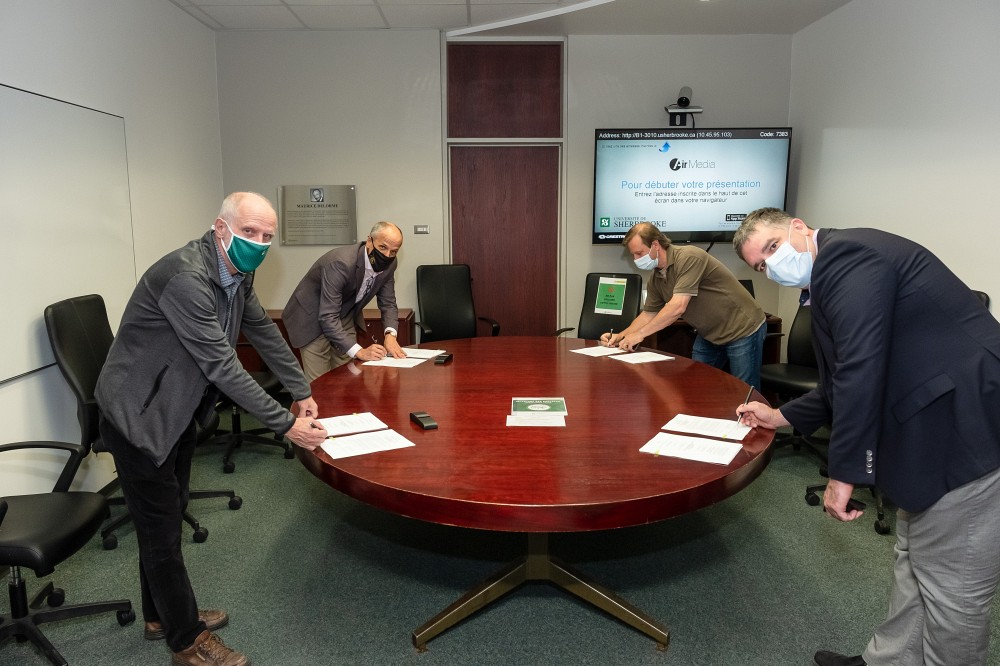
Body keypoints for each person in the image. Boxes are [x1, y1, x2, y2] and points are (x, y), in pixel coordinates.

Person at [733, 208, 1000, 666]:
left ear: (797, 225)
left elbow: (860, 371)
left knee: (953, 592)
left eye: (773, 247)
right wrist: (777, 417)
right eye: (761, 265)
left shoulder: (847, 256)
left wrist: (844, 472)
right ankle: (888, 661)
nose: (772, 266)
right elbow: (839, 382)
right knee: (914, 563)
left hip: (967, 433)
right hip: (929, 425)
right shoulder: (829, 277)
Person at [95, 192, 329, 666]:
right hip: (137, 416)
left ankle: (160, 614)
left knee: (167, 513)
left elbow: (261, 329)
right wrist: (286, 424)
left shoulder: (238, 273)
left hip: (176, 409)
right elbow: (223, 366)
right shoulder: (186, 277)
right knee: (161, 529)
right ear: (221, 228)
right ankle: (186, 640)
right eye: (250, 233)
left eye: (267, 237)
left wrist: (301, 388)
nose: (259, 244)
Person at [602, 221, 767, 388]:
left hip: (742, 329)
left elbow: (677, 307)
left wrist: (640, 334)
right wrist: (621, 336)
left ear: (655, 245)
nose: (636, 260)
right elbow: (648, 314)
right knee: (697, 387)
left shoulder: (689, 257)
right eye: (633, 255)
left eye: (639, 253)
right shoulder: (656, 278)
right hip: (710, 334)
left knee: (745, 390)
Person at [282, 221, 405, 382]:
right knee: (320, 384)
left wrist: (390, 335)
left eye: (394, 251)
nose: (387, 255)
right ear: (369, 241)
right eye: (383, 247)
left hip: (344, 312)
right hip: (310, 316)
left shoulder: (390, 264)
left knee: (347, 377)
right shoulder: (340, 262)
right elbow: (327, 317)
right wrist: (360, 352)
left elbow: (388, 302)